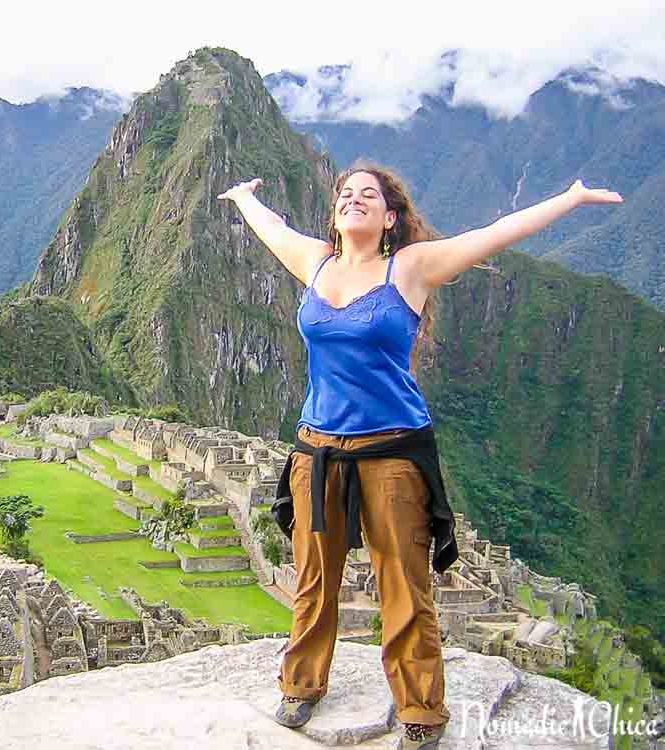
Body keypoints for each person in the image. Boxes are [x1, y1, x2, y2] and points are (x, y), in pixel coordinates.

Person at [217, 161, 622, 749]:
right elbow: (270, 226)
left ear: (389, 218)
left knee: (403, 582)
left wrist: (569, 199)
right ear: (335, 214)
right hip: (317, 450)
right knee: (313, 577)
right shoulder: (316, 262)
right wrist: (242, 197)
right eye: (345, 193)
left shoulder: (408, 268)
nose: (354, 199)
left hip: (392, 453)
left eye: (368, 195)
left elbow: (495, 232)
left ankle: (421, 710)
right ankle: (301, 684)